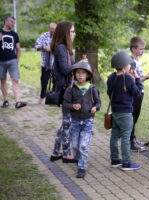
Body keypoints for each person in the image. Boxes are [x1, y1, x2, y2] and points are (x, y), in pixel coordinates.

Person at [49, 21, 88, 163]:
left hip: (67, 90)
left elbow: (68, 67)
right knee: (68, 123)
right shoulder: (60, 48)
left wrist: (79, 63)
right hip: (65, 92)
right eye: (72, 31)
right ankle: (66, 154)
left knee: (66, 123)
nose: (74, 34)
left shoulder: (64, 48)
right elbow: (66, 69)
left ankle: (55, 152)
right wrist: (79, 64)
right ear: (65, 33)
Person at [63, 61, 101, 178]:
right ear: (74, 74)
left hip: (88, 121)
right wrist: (72, 106)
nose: (80, 75)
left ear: (88, 75)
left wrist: (95, 107)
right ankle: (79, 158)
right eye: (78, 72)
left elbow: (98, 102)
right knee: (75, 146)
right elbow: (65, 104)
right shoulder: (71, 89)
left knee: (83, 146)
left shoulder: (92, 88)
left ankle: (82, 167)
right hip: (75, 121)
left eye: (83, 73)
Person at [107, 50, 143, 171]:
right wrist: (137, 78)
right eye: (129, 64)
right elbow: (137, 93)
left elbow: (109, 92)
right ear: (124, 66)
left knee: (114, 136)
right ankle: (126, 163)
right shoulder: (128, 78)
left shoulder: (110, 77)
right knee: (125, 138)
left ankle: (115, 160)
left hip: (115, 111)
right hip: (126, 113)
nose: (130, 66)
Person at [129, 37, 149, 151]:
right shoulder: (131, 62)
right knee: (133, 117)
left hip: (139, 92)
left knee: (135, 117)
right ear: (133, 49)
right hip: (135, 94)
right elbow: (133, 80)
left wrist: (146, 77)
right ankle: (130, 142)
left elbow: (138, 79)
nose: (142, 51)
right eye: (141, 49)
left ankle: (132, 137)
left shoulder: (136, 61)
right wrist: (147, 77)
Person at [0, 16, 27, 109]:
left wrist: (17, 60)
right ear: (6, 21)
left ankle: (18, 102)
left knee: (15, 80)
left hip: (12, 61)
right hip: (1, 61)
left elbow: (18, 49)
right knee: (2, 81)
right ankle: (5, 100)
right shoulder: (0, 32)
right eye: (11, 22)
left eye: (14, 22)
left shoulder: (15, 34)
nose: (13, 24)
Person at [35, 23, 57, 104]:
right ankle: (42, 96)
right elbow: (36, 46)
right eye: (52, 31)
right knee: (44, 81)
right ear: (49, 29)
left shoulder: (60, 37)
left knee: (56, 81)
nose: (53, 33)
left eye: (55, 31)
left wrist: (52, 49)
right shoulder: (44, 35)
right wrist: (44, 47)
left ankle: (55, 98)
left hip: (56, 63)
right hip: (46, 64)